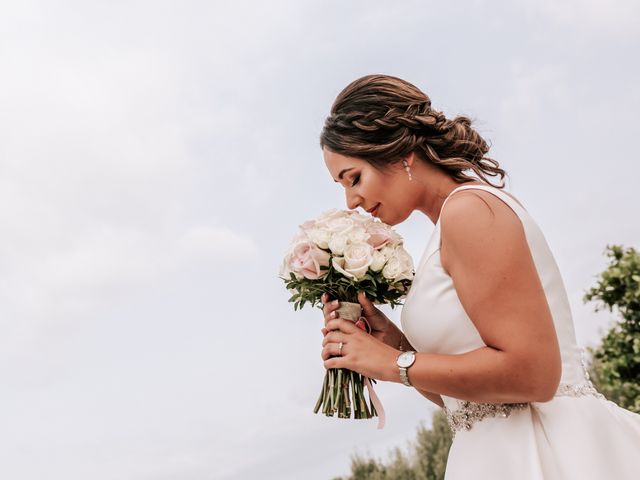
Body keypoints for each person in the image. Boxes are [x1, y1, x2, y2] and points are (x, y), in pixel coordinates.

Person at [317, 74, 640, 479]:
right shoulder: (451, 224)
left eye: (354, 178)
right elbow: (469, 401)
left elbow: (534, 375)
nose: (352, 201)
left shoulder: (469, 212)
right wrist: (395, 344)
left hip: (546, 454)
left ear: (400, 151)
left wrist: (394, 363)